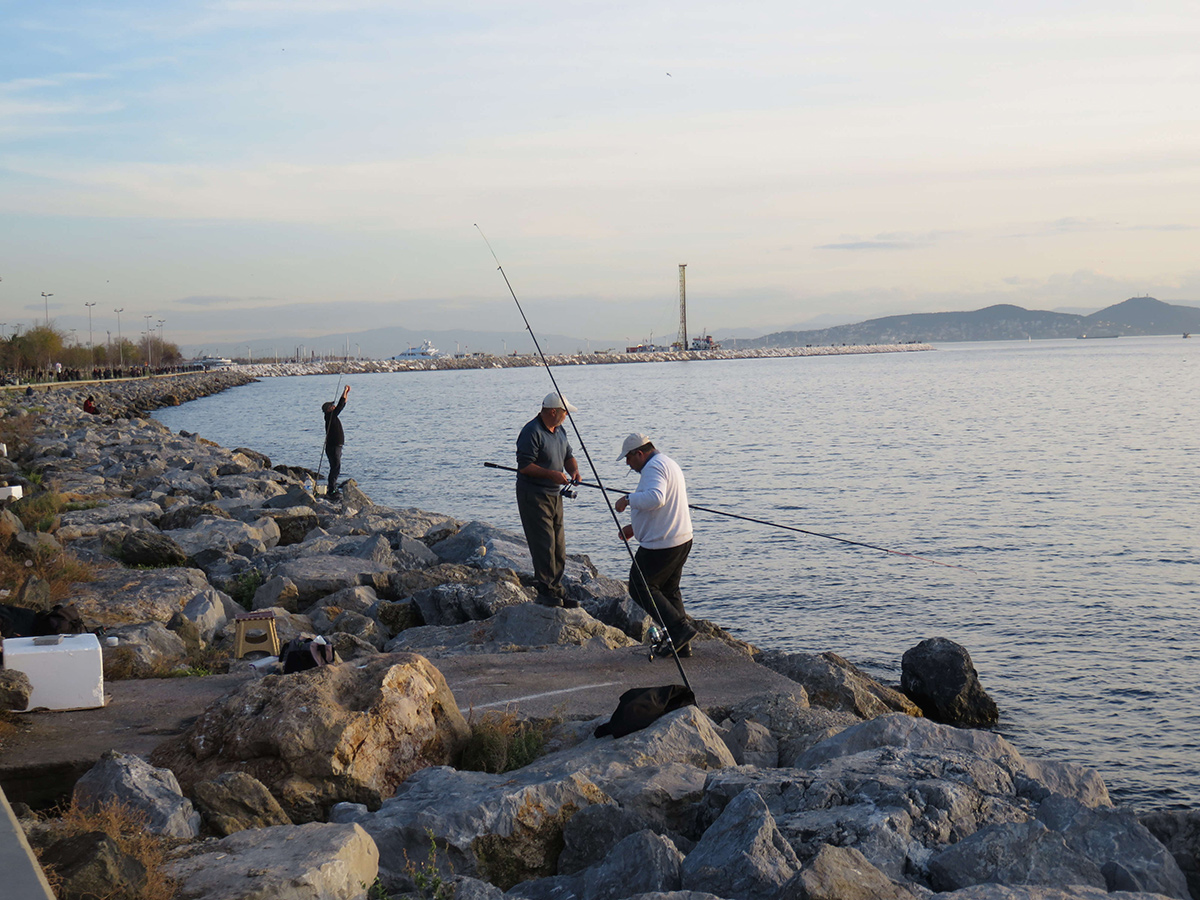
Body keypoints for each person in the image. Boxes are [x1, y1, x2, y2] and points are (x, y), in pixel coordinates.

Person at [615, 433, 698, 657]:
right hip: (681, 538)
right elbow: (665, 505)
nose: (627, 464)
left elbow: (656, 498)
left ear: (639, 453)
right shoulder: (668, 463)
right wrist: (635, 528)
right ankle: (682, 645)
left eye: (628, 458)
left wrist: (628, 499)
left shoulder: (653, 468)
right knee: (669, 590)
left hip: (662, 544)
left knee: (639, 586)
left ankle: (679, 630)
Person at [516, 392, 581, 607]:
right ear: (553, 412)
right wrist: (551, 474)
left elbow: (568, 456)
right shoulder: (531, 432)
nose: (566, 417)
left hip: (554, 495)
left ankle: (557, 589)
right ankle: (545, 591)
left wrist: (574, 471)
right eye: (564, 413)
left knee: (558, 545)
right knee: (544, 542)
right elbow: (525, 466)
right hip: (533, 495)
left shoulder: (560, 430)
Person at [321, 384, 351, 499]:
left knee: (335, 467)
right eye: (332, 405)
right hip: (334, 447)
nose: (334, 406)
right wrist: (345, 391)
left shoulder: (331, 416)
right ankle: (332, 490)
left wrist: (347, 393)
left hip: (334, 446)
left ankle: (331, 487)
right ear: (328, 409)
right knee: (336, 467)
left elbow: (342, 405)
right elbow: (341, 405)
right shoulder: (330, 416)